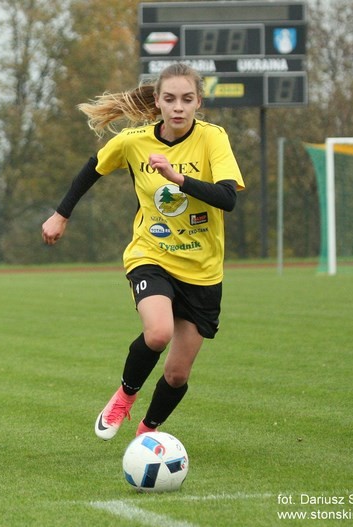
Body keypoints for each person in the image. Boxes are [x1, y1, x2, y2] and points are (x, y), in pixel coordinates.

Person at [41, 63, 245, 441]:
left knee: (177, 375)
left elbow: (227, 198)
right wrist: (60, 214)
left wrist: (177, 178)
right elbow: (93, 168)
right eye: (170, 99)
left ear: (199, 102)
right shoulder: (133, 141)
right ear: (158, 102)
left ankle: (146, 433)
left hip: (203, 270)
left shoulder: (213, 138)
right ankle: (124, 396)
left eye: (187, 99)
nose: (178, 107)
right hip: (151, 255)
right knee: (158, 333)